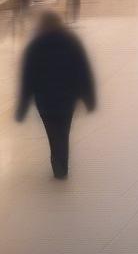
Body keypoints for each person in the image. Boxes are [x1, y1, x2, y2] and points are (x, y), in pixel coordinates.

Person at [15, 11, 96, 178]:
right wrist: (89, 98)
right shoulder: (71, 42)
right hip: (67, 99)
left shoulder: (35, 45)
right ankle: (63, 165)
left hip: (45, 101)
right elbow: (83, 71)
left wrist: (22, 108)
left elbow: (27, 79)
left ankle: (56, 162)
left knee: (52, 133)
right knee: (63, 132)